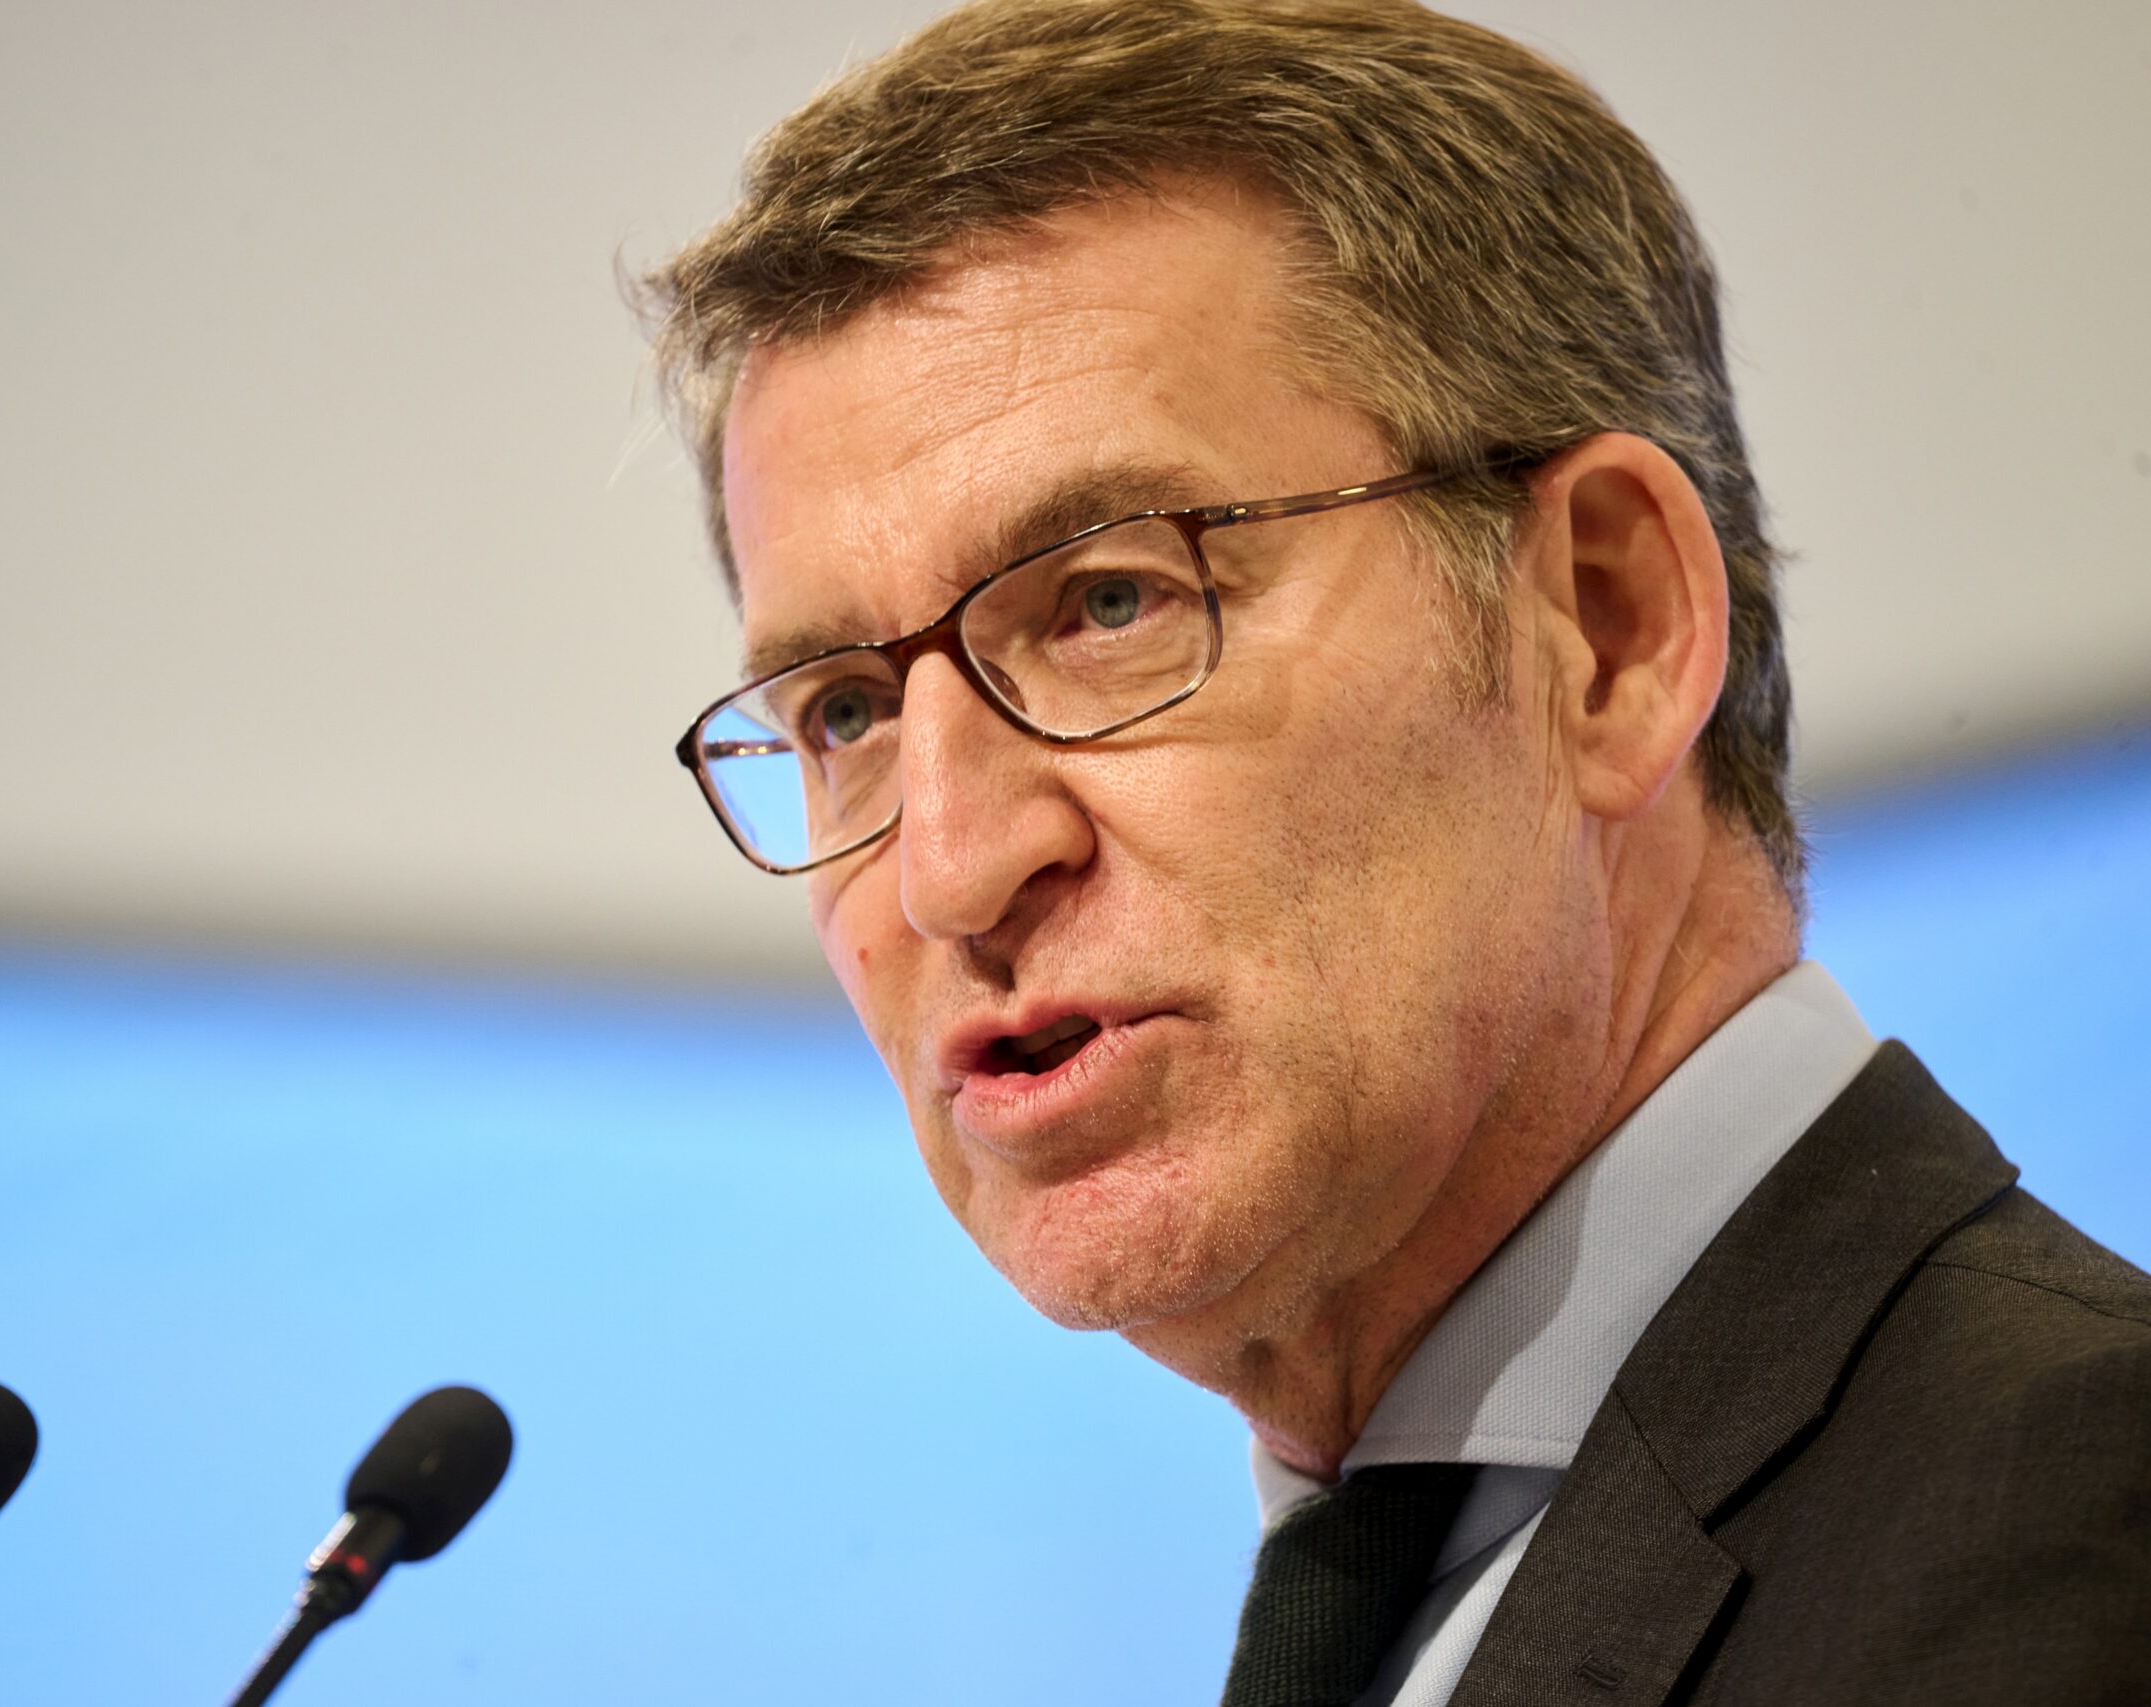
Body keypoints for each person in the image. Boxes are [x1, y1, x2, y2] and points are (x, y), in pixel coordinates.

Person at [634, 2, 2151, 1700]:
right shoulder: (1397, 1600)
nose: (952, 870)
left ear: (1606, 627)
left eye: (1114, 603)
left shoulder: (2084, 1541)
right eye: (845, 712)